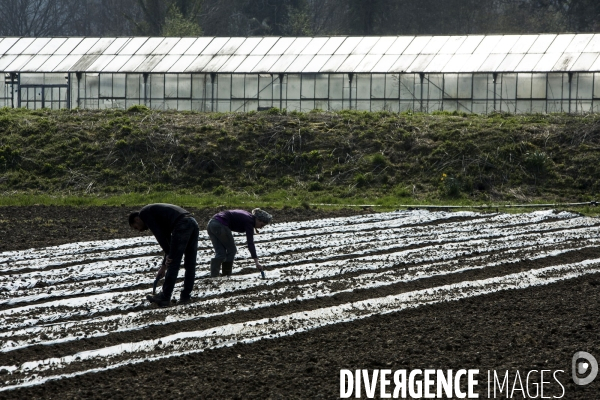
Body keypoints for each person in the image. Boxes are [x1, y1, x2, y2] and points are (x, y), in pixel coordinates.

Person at [129, 203, 199, 307]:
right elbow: (168, 239)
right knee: (190, 263)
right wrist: (163, 266)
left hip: (182, 224)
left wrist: (170, 256)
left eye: (136, 227)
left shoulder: (144, 213)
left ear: (137, 219)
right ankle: (185, 296)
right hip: (192, 222)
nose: (139, 230)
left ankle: (165, 297)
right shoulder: (159, 215)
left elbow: (159, 235)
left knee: (174, 262)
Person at [206, 208, 272, 277]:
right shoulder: (249, 221)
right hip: (220, 225)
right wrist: (257, 262)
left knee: (220, 253)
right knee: (232, 250)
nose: (260, 228)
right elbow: (250, 243)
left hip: (211, 223)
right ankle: (226, 275)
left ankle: (214, 276)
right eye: (261, 225)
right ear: (258, 220)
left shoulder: (248, 216)